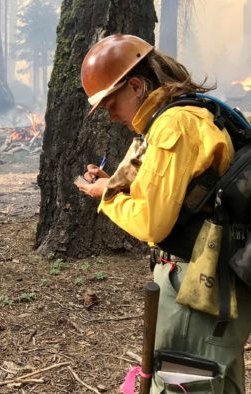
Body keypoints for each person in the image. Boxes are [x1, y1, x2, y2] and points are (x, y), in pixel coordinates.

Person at [76, 34, 251, 393]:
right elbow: (183, 195)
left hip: (198, 284)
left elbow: (153, 223)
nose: (111, 115)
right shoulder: (193, 112)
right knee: (214, 379)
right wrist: (115, 183)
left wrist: (104, 197)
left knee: (183, 380)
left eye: (111, 102)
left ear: (136, 85)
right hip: (213, 278)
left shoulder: (175, 125)